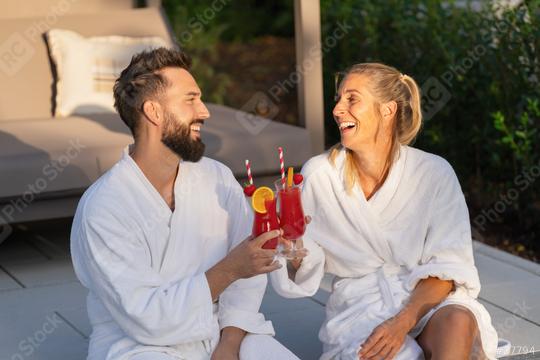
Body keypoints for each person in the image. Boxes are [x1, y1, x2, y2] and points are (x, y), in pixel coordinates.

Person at [70, 47, 299, 360]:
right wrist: (229, 270)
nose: (204, 111)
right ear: (154, 112)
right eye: (191, 99)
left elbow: (249, 276)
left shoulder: (216, 177)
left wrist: (230, 345)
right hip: (140, 346)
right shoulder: (105, 207)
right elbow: (145, 320)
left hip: (220, 331)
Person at [270, 63, 499, 359]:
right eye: (338, 99)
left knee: (458, 320)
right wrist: (296, 251)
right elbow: (303, 257)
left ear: (387, 110)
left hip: (425, 300)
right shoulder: (320, 175)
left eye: (352, 99)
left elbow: (449, 267)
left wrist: (401, 322)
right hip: (361, 307)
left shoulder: (433, 173)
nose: (338, 110)